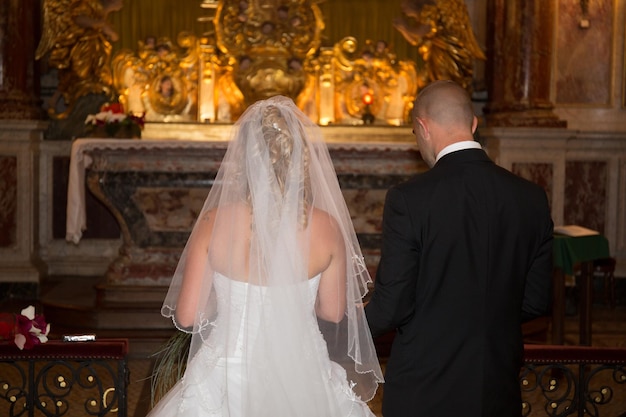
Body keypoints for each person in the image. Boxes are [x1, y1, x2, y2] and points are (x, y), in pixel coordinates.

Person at [147, 95, 383, 417]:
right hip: (301, 368)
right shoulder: (327, 228)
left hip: (226, 371)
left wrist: (225, 297)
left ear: (244, 157)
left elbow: (188, 317)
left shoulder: (214, 222)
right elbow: (332, 311)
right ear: (301, 155)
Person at [365, 80, 553, 417]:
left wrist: (341, 326)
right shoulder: (531, 197)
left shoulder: (409, 199)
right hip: (497, 384)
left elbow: (391, 307)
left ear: (422, 127)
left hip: (425, 386)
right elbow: (536, 299)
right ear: (474, 124)